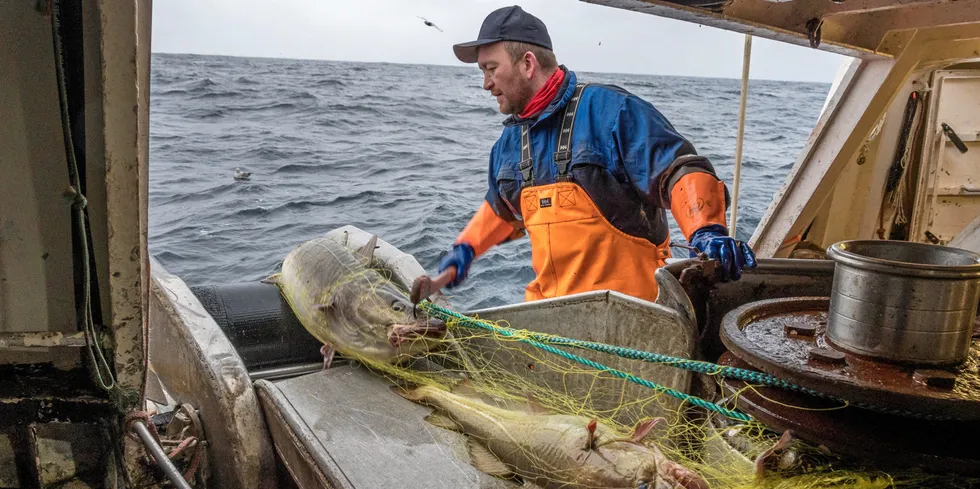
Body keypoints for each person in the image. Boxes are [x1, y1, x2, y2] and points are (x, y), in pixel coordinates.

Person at [434, 5, 756, 303]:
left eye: (491, 68)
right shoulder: (507, 144)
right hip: (550, 324)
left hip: (635, 319)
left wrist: (705, 230)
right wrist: (466, 249)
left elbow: (678, 170)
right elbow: (503, 210)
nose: (486, 84)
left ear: (528, 64)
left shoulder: (612, 112)